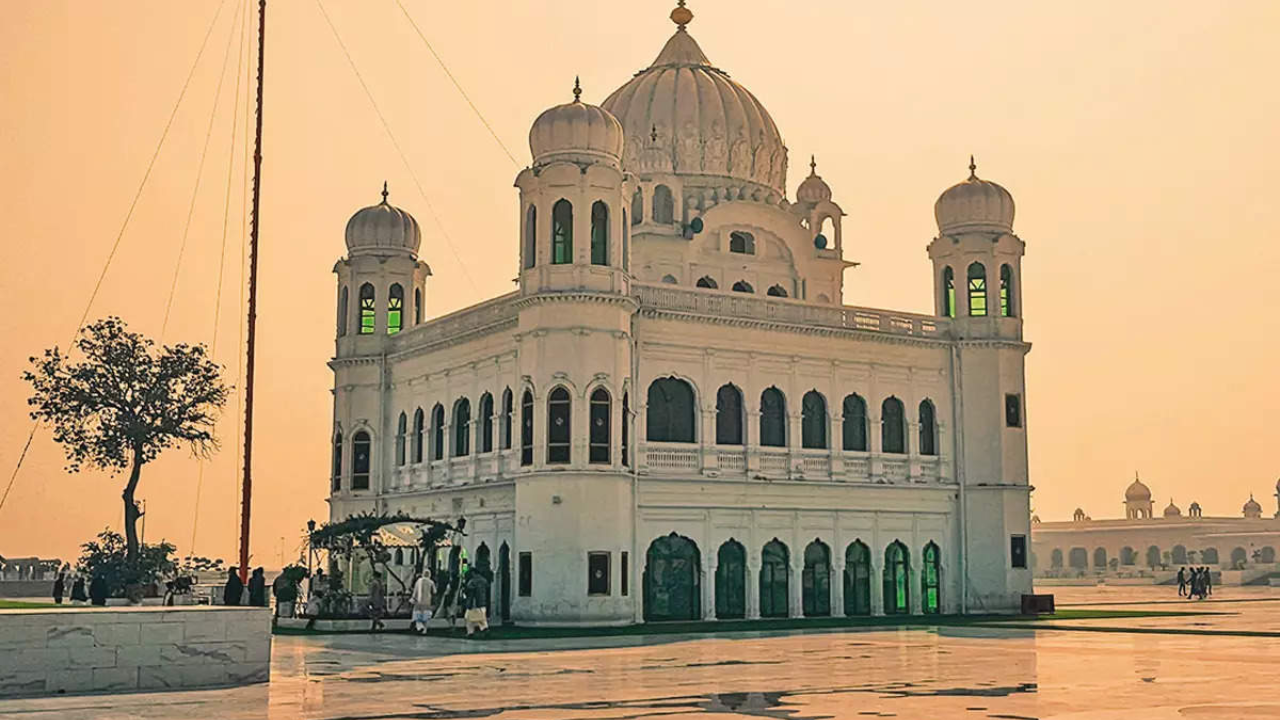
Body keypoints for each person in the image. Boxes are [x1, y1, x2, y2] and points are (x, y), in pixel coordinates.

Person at [462, 569, 491, 637]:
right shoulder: (484, 580)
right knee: (482, 618)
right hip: (482, 602)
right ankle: (484, 628)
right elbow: (487, 588)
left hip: (473, 603)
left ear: (473, 573)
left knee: (468, 618)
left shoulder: (472, 581)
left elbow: (468, 590)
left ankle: (470, 632)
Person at [411, 569, 435, 635]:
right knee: (426, 617)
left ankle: (420, 627)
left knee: (417, 616)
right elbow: (434, 591)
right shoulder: (431, 582)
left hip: (419, 602)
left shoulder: (419, 581)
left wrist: (413, 598)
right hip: (427, 602)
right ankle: (425, 630)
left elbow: (415, 591)